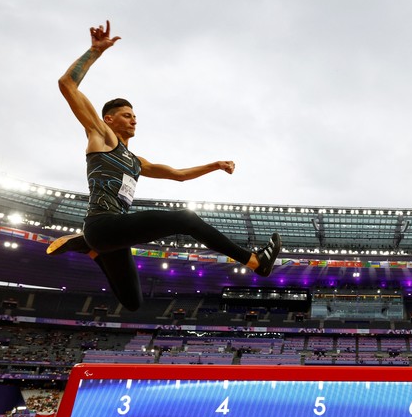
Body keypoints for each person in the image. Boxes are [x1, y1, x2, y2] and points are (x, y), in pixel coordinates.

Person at [47, 21, 281, 312]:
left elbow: (179, 176)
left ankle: (90, 248)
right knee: (186, 218)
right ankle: (254, 261)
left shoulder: (135, 161)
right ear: (109, 119)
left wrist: (215, 165)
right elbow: (66, 84)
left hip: (111, 236)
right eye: (126, 115)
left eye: (135, 116)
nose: (134, 119)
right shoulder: (102, 136)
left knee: (132, 302)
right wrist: (94, 51)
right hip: (103, 223)